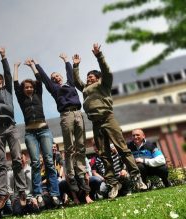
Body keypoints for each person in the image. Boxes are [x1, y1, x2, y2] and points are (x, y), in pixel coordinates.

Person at [72, 43, 147, 195]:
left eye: (91, 77)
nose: (88, 79)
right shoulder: (85, 89)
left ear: (98, 78)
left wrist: (99, 56)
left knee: (122, 148)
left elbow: (106, 71)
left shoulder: (103, 84)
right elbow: (76, 81)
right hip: (96, 123)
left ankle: (136, 177)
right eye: (87, 77)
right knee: (104, 154)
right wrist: (75, 66)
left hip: (108, 118)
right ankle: (113, 184)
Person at [34, 54, 90, 196]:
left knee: (81, 145)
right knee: (70, 147)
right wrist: (36, 65)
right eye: (54, 78)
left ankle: (82, 176)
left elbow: (70, 75)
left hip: (78, 113)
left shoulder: (70, 84)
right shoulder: (54, 89)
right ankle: (71, 176)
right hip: (66, 115)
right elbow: (45, 79)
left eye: (57, 76)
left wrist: (67, 61)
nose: (56, 78)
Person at [0, 46, 27, 213]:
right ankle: (3, 193)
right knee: (1, 163)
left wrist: (3, 57)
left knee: (16, 159)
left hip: (11, 127)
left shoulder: (8, 91)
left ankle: (21, 191)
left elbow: (8, 74)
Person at [13, 59, 60, 208]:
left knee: (49, 161)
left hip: (44, 130)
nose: (28, 89)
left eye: (30, 87)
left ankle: (54, 194)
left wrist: (32, 65)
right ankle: (38, 194)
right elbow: (15, 85)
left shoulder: (38, 94)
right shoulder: (21, 99)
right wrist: (15, 68)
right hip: (30, 133)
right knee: (35, 163)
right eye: (26, 87)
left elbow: (39, 80)